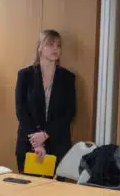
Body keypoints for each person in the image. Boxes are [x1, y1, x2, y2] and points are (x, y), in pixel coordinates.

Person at [15, 29, 76, 172]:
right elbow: (21, 110)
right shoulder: (25, 75)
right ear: (40, 48)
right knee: (28, 185)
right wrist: (37, 142)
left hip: (57, 144)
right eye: (51, 44)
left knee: (54, 186)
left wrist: (45, 134)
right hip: (29, 143)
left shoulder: (67, 77)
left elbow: (70, 112)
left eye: (58, 45)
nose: (56, 49)